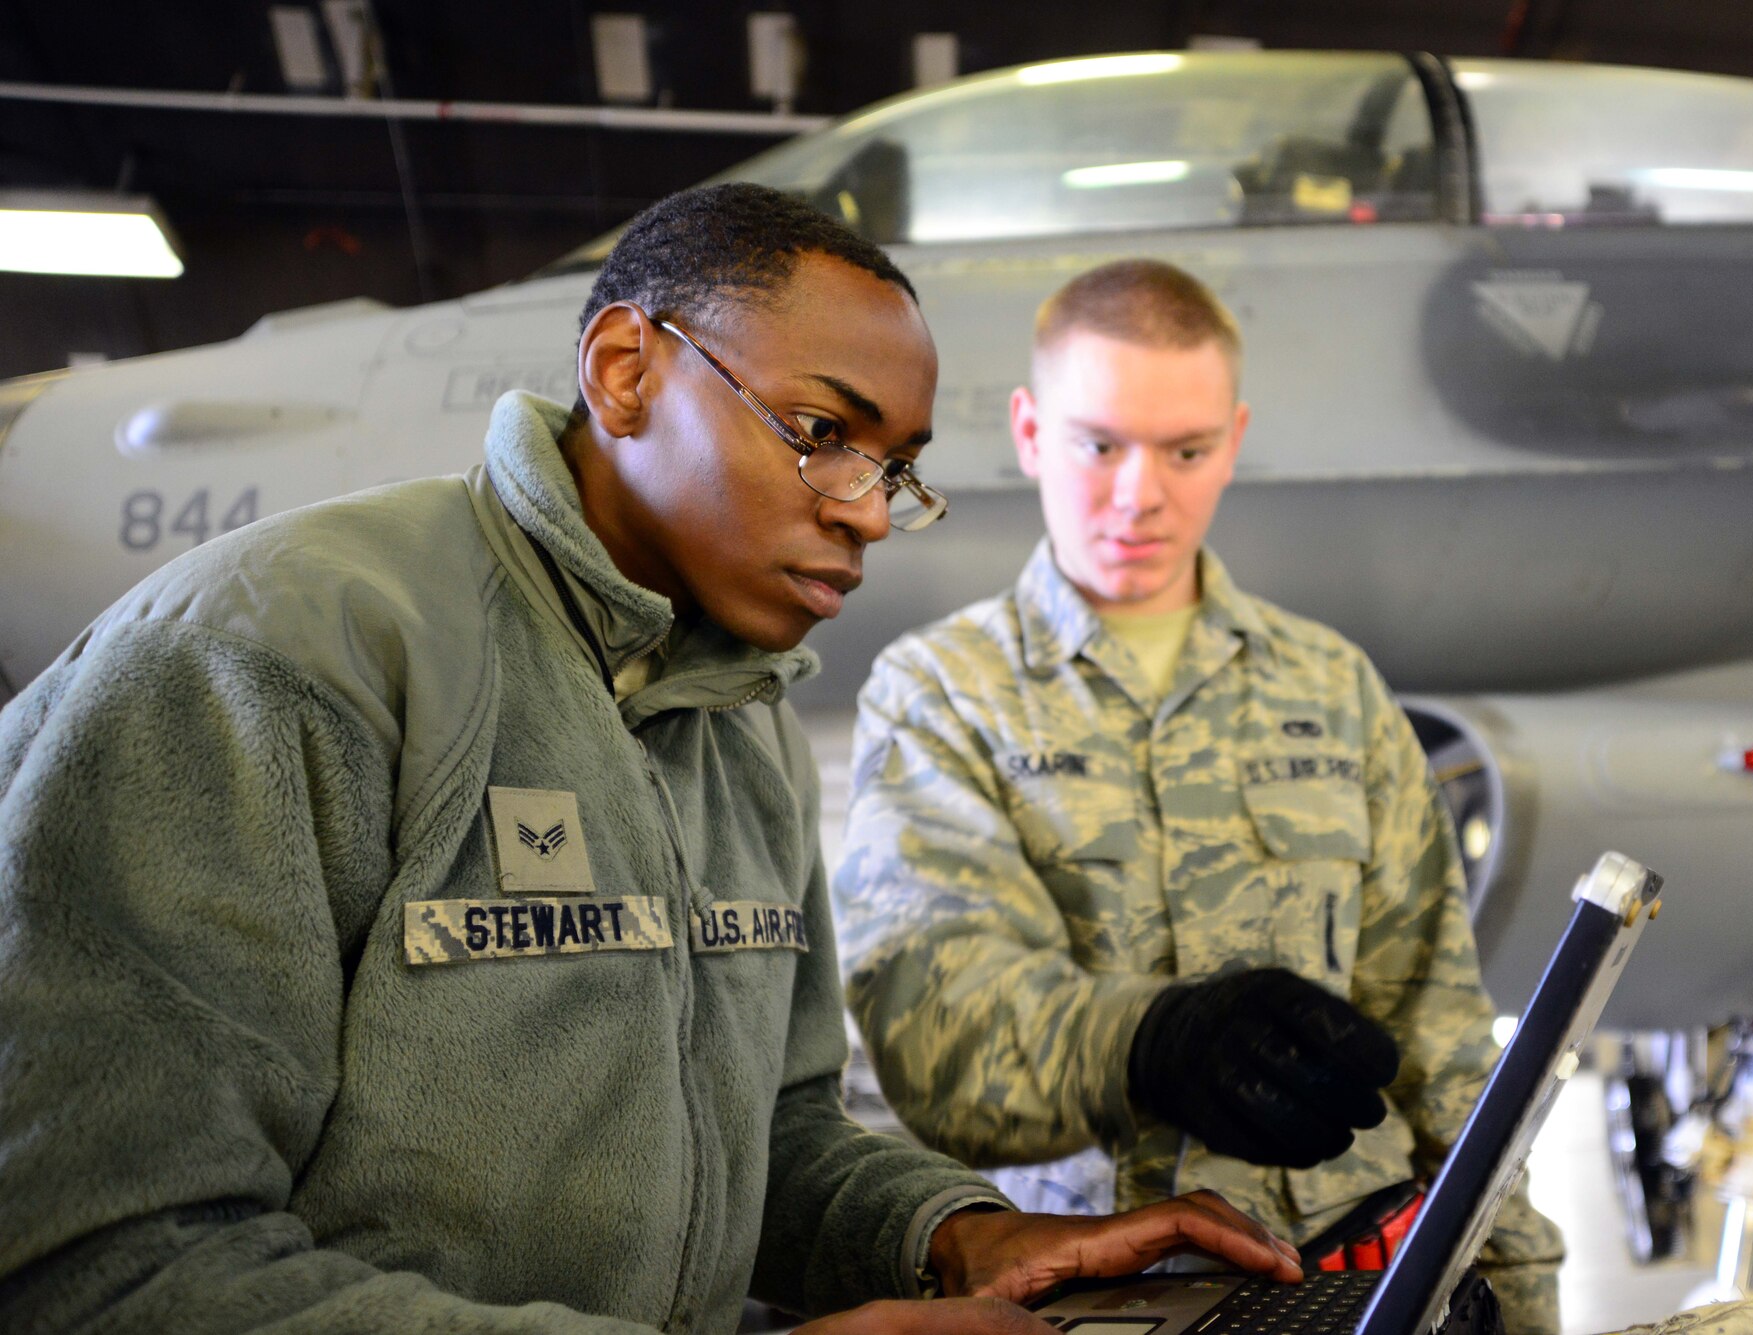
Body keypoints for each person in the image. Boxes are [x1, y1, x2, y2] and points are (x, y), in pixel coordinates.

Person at [0, 188, 1304, 1335]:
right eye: (820, 431)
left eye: (895, 467)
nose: (864, 508)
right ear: (626, 368)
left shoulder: (744, 719)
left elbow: (770, 1138)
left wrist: (959, 1234)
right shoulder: (284, 653)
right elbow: (102, 1267)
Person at [834, 259, 1564, 1330]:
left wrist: (1524, 1295)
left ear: (1232, 437)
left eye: (1185, 449)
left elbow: (1442, 1037)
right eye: (1099, 444)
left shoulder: (1329, 685)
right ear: (1031, 432)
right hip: (1095, 1301)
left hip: (1348, 1291)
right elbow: (938, 1029)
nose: (1140, 493)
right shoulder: (942, 694)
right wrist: (1152, 1041)